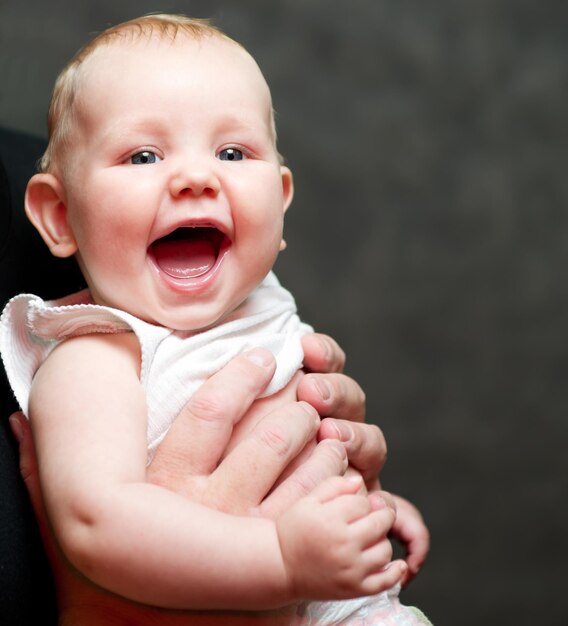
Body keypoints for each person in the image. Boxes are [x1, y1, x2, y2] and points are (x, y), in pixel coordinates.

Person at [0, 14, 430, 625]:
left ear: (279, 203)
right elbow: (98, 525)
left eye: (232, 151)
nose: (197, 178)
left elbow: (301, 448)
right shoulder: (97, 356)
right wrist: (282, 559)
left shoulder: (265, 300)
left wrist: (364, 508)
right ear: (60, 217)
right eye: (143, 155)